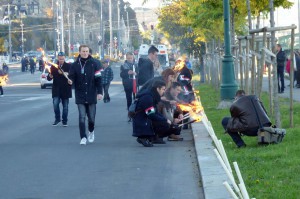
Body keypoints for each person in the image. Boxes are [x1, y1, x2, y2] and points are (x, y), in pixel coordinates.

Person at [68, 45, 103, 145]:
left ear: (89, 52)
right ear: (79, 52)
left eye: (86, 51)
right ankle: (83, 137)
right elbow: (71, 78)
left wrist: (100, 92)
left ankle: (91, 131)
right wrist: (70, 82)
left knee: (91, 118)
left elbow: (98, 79)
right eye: (83, 51)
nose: (85, 53)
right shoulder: (75, 65)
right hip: (80, 94)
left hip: (92, 94)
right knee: (82, 116)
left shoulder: (94, 64)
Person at [132, 80, 175, 147]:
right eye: (163, 89)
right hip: (142, 122)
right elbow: (151, 114)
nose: (164, 91)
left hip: (144, 119)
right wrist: (165, 120)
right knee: (164, 124)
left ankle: (151, 137)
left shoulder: (152, 96)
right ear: (158, 88)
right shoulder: (148, 98)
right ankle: (143, 137)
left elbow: (155, 112)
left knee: (165, 122)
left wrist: (165, 119)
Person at [47, 52, 72, 127]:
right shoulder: (54, 66)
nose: (61, 59)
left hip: (65, 89)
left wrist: (66, 74)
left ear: (64, 58)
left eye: (62, 58)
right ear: (58, 58)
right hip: (56, 88)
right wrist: (50, 76)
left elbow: (72, 76)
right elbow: (49, 78)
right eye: (60, 58)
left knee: (65, 106)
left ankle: (65, 121)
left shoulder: (69, 66)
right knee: (55, 104)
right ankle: (57, 119)